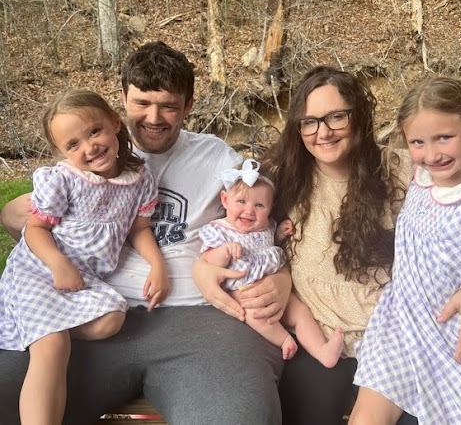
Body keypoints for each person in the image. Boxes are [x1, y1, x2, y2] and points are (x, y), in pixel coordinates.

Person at [0, 41, 288, 424]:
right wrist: (11, 215)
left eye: (169, 105)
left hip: (200, 321)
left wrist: (282, 277)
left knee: (237, 416)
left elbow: (266, 218)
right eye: (141, 103)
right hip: (86, 309)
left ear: (188, 105)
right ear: (122, 101)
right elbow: (27, 217)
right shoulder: (85, 157)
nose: (154, 117)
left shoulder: (217, 158)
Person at [193, 65, 461, 425]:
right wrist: (217, 272)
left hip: (401, 339)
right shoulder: (282, 182)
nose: (322, 132)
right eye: (309, 122)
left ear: (359, 115)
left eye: (335, 117)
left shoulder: (404, 169)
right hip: (318, 340)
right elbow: (242, 235)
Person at [349, 77, 461, 425]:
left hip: (459, 342)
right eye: (418, 142)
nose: (432, 154)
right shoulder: (419, 177)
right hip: (400, 324)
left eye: (444, 137)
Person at [0, 88, 169, 424]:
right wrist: (58, 264)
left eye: (94, 131)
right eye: (73, 145)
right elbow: (35, 230)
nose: (89, 147)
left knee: (112, 320)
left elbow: (138, 230)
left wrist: (158, 264)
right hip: (40, 268)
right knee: (53, 347)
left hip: (84, 278)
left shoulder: (138, 179)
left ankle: (35, 323)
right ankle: (44, 332)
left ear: (114, 122)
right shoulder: (64, 179)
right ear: (62, 153)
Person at [200, 158, 344, 367]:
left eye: (259, 205)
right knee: (255, 315)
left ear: (270, 208)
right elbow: (209, 261)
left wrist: (278, 235)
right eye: (241, 202)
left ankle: (323, 352)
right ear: (225, 200)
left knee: (301, 311)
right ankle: (284, 338)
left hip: (276, 286)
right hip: (242, 290)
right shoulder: (218, 229)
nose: (249, 211)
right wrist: (225, 251)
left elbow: (267, 246)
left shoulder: (265, 226)